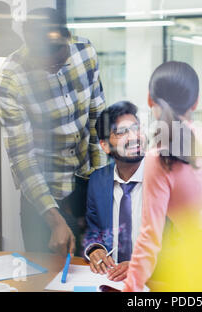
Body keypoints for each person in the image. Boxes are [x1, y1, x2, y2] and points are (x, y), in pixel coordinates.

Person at [0, 8, 107, 256]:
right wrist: (55, 221)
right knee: (45, 276)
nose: (57, 66)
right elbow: (23, 157)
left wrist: (101, 185)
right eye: (49, 63)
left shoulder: (84, 51)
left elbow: (97, 120)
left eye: (61, 58)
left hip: (85, 184)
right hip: (43, 194)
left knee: (94, 270)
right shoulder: (11, 79)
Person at [123, 61, 202, 292]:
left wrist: (130, 290)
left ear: (149, 100)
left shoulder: (159, 156)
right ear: (195, 103)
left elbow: (149, 239)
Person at [83, 101, 147, 282]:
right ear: (105, 146)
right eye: (121, 132)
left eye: (136, 128)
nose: (134, 136)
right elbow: (93, 230)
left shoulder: (168, 178)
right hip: (110, 279)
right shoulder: (98, 181)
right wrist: (95, 249)